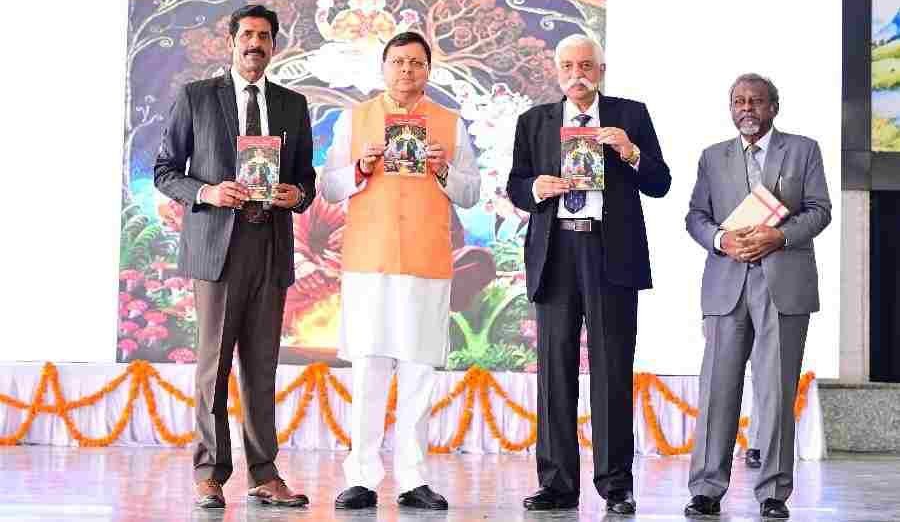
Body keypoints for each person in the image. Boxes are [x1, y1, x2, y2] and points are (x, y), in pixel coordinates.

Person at [155, 4, 316, 509]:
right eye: (247, 34)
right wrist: (207, 193)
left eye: (264, 36)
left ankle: (264, 474)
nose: (255, 44)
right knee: (214, 366)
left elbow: (306, 179)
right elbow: (165, 170)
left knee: (262, 367)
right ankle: (209, 472)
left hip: (270, 245)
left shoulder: (292, 104)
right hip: (218, 248)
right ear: (232, 41)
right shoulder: (198, 97)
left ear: (274, 45)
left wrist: (297, 195)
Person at [507, 34, 671, 516]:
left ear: (600, 70)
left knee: (612, 370)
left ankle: (616, 485)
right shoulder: (534, 121)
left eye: (585, 66)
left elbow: (660, 182)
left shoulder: (630, 115)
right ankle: (556, 484)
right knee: (554, 373)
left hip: (610, 253)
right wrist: (535, 187)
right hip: (556, 252)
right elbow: (516, 185)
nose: (576, 75)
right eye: (567, 66)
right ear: (556, 70)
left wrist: (630, 152)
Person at [320, 30, 480, 511]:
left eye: (416, 62)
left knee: (418, 373)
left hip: (426, 262)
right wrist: (360, 168)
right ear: (384, 67)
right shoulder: (355, 118)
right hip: (369, 262)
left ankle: (413, 479)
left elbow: (471, 193)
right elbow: (329, 187)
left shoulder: (449, 123)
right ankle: (361, 477)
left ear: (429, 70)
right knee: (369, 371)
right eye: (398, 61)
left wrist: (444, 170)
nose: (406, 70)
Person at [684, 73, 831, 520]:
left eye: (756, 101)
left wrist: (779, 236)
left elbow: (820, 210)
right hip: (726, 285)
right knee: (717, 390)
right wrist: (721, 240)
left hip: (783, 286)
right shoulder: (713, 157)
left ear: (773, 107)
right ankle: (706, 489)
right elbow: (696, 217)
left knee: (776, 392)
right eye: (739, 101)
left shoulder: (802, 150)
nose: (746, 108)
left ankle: (773, 493)